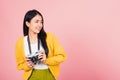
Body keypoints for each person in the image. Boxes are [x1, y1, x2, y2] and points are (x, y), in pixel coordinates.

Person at [15, 9, 66, 80]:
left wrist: (46, 60)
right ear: (27, 23)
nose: (40, 25)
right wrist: (28, 65)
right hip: (31, 76)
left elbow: (62, 56)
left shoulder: (50, 37)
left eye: (41, 22)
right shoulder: (20, 42)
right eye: (36, 22)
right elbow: (19, 65)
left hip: (48, 75)